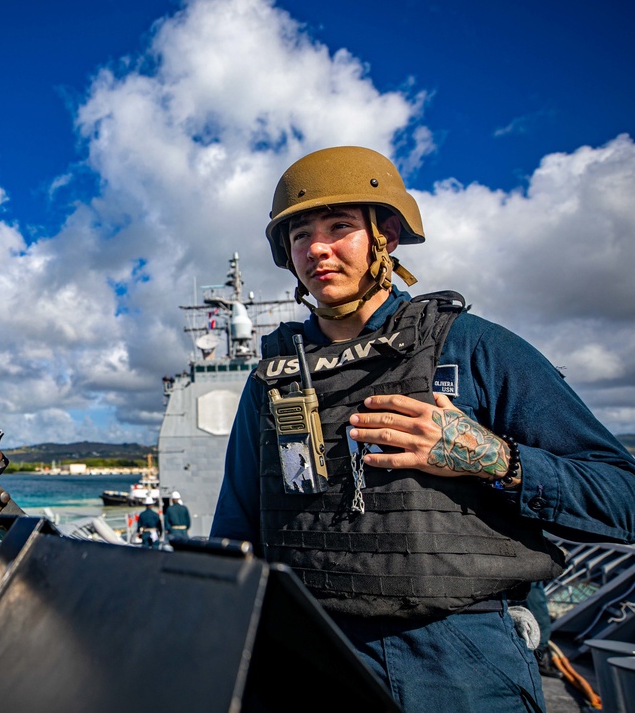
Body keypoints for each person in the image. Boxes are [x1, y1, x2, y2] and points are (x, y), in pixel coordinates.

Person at [210, 146, 635, 712]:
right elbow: (234, 528)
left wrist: (493, 457)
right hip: (312, 653)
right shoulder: (275, 377)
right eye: (299, 235)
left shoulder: (474, 349)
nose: (317, 248)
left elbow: (622, 497)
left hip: (458, 663)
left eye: (340, 227)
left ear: (385, 237)